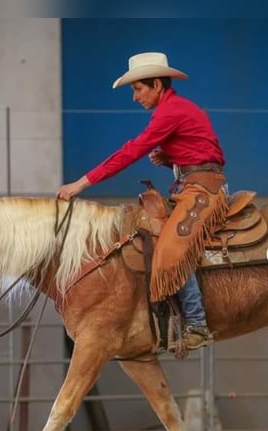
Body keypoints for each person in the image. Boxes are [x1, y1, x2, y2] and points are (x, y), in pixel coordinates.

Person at [57, 52, 229, 351]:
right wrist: (170, 160)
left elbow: (131, 151)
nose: (135, 97)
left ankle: (198, 324)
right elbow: (205, 152)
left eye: (138, 89)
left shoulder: (170, 111)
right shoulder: (177, 109)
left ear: (158, 85)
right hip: (192, 184)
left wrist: (81, 183)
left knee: (172, 244)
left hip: (203, 189)